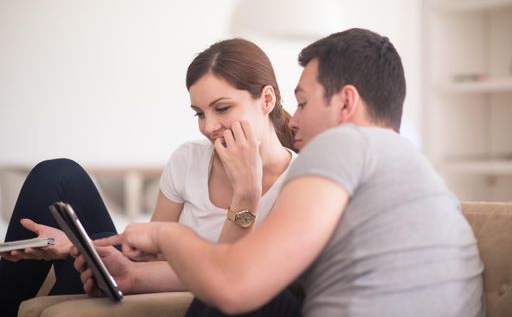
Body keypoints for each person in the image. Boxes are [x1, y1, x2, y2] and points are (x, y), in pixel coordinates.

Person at [90, 28, 485, 317]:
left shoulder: (344, 143)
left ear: (346, 103)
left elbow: (233, 284)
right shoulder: (419, 175)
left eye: (302, 102)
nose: (292, 123)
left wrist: (163, 234)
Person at [0, 38, 297, 317]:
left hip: (190, 292)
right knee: (58, 174)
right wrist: (80, 246)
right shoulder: (189, 158)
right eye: (199, 114)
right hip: (144, 270)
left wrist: (246, 188)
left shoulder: (299, 183)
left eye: (222, 108)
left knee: (100, 245)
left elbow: (229, 274)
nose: (208, 127)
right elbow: (149, 253)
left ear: (266, 99)